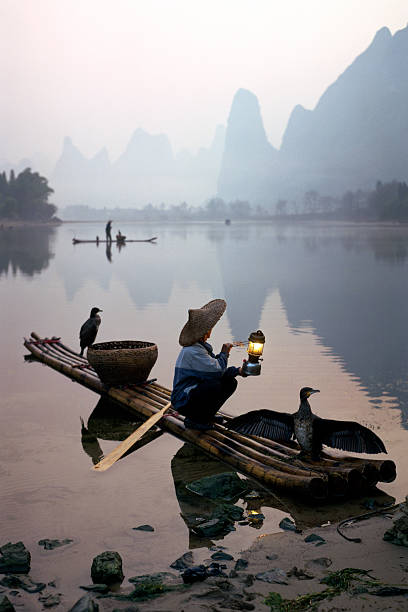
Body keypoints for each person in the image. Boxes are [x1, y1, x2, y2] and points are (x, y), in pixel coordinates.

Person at [171, 299, 245, 430]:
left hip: (191, 396)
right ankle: (194, 420)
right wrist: (224, 353)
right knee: (214, 385)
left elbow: (214, 368)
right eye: (209, 329)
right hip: (183, 401)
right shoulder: (192, 351)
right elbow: (216, 371)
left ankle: (206, 416)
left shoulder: (199, 348)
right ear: (204, 332)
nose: (210, 333)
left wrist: (238, 371)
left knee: (230, 382)